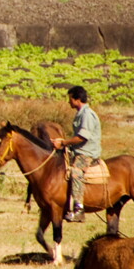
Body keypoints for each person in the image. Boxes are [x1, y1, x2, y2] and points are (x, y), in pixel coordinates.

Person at [51, 85, 102, 222]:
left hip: (86, 153)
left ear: (77, 99)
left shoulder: (87, 115)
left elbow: (82, 137)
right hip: (78, 151)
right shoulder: (81, 113)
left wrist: (63, 143)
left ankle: (79, 209)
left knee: (76, 172)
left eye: (70, 99)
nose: (69, 102)